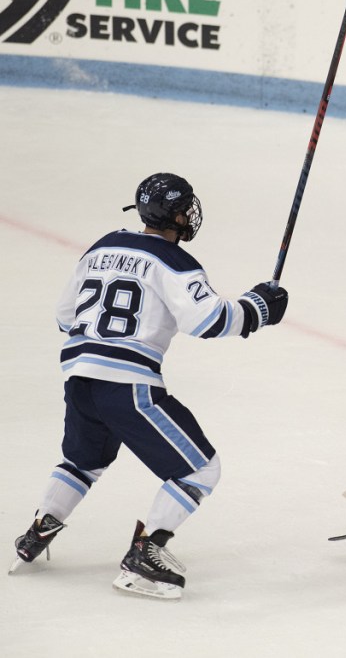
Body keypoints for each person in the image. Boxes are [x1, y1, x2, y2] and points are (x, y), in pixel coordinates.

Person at [10, 173, 289, 600]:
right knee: (200, 469)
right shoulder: (173, 261)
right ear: (177, 214)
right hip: (128, 386)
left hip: (79, 379)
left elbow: (65, 316)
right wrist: (259, 308)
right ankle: (146, 552)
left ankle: (38, 530)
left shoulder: (101, 246)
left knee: (82, 461)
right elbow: (210, 320)